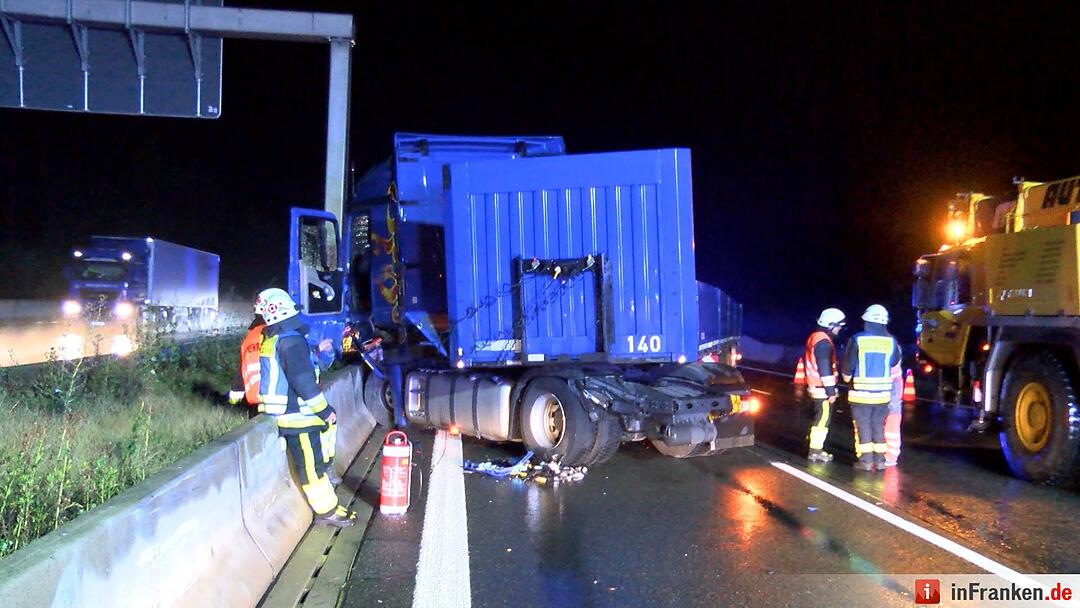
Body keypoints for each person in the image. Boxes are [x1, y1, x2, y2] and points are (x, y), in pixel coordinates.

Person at [256, 288, 354, 527]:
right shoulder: (291, 341)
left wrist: (317, 354)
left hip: (289, 415)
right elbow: (303, 381)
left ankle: (328, 489)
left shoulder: (278, 339)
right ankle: (327, 511)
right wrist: (324, 410)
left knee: (316, 460)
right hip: (297, 417)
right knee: (310, 467)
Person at [842, 304, 902, 471]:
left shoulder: (857, 339)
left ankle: (866, 461)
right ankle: (881, 460)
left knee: (864, 426)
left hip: (860, 394)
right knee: (878, 426)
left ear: (867, 321)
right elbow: (894, 362)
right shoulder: (891, 341)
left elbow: (848, 366)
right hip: (883, 395)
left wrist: (847, 378)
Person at [804, 308, 846, 463]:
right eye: (839, 325)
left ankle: (813, 446)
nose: (840, 329)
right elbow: (824, 367)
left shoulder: (816, 338)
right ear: (831, 325)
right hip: (822, 389)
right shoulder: (823, 342)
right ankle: (815, 451)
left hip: (816, 387)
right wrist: (830, 391)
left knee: (819, 417)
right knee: (822, 419)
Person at [228, 313, 267, 419]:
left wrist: (234, 400)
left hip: (253, 399)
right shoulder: (275, 334)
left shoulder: (249, 338)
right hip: (275, 399)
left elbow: (242, 368)